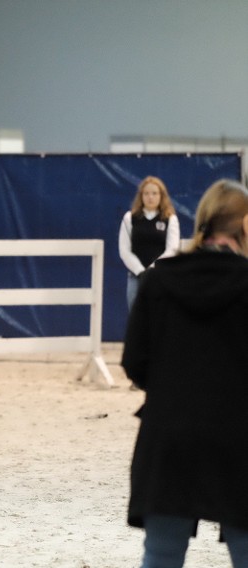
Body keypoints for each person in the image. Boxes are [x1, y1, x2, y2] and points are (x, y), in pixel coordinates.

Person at [121, 179, 248, 568]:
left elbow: (134, 362)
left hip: (169, 438)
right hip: (239, 438)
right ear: (243, 225)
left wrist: (173, 388)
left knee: (161, 555)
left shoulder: (159, 280)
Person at [118, 176, 180, 310]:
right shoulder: (129, 218)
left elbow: (172, 249)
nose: (150, 197)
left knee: (160, 317)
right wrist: (141, 272)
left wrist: (152, 269)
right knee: (136, 319)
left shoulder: (170, 219)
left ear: (161, 196)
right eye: (146, 193)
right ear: (141, 196)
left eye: (154, 193)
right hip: (136, 277)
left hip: (161, 277)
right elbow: (124, 250)